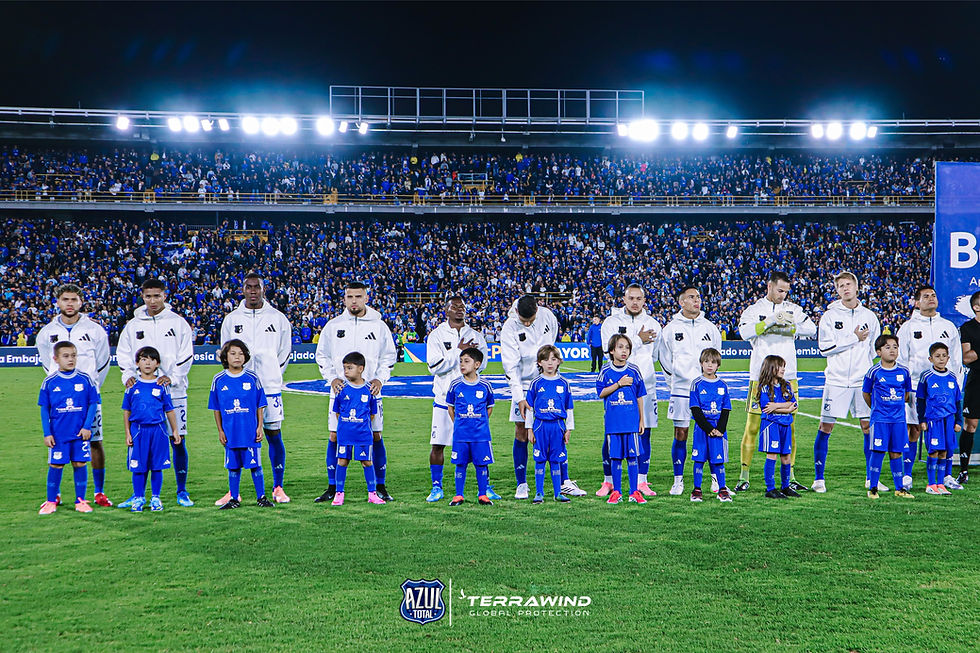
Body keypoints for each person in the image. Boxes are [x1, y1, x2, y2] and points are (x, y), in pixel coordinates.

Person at [315, 282, 397, 503]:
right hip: (341, 392)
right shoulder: (333, 326)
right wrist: (332, 378)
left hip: (369, 392)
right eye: (350, 296)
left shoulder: (379, 326)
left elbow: (389, 356)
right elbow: (321, 355)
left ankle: (380, 486)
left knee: (376, 435)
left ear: (366, 298)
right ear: (344, 299)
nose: (354, 301)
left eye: (358, 296)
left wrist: (380, 379)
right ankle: (333, 487)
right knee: (334, 435)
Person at [735, 271, 817, 493]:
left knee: (789, 426)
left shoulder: (793, 309)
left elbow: (812, 329)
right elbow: (744, 332)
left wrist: (790, 326)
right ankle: (744, 476)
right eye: (780, 290)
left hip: (788, 378)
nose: (783, 295)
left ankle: (789, 477)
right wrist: (770, 321)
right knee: (753, 426)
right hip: (760, 377)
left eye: (786, 292)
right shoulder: (754, 310)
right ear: (769, 286)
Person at [116, 279, 195, 508]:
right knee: (138, 440)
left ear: (165, 296)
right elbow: (123, 355)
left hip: (174, 393)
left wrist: (173, 378)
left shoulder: (177, 323)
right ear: (142, 297)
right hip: (142, 393)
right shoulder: (132, 326)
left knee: (177, 439)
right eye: (148, 296)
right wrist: (127, 376)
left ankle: (182, 491)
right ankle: (138, 494)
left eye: (157, 296)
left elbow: (186, 354)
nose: (152, 300)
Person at [501, 294, 585, 499]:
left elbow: (551, 349)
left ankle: (564, 482)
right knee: (521, 430)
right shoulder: (509, 327)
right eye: (523, 320)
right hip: (524, 385)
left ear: (537, 311)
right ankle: (522, 484)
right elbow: (510, 366)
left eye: (530, 320)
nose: (527, 323)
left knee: (557, 428)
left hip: (550, 381)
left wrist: (551, 373)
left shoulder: (548, 317)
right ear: (516, 312)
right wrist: (519, 397)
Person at [219, 273, 293, 504]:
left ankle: (278, 487)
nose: (253, 291)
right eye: (249, 287)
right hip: (238, 390)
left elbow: (285, 352)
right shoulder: (232, 319)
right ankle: (234, 491)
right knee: (235, 435)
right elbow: (225, 350)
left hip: (269, 387)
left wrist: (272, 374)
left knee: (273, 433)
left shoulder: (277, 318)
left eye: (257, 287)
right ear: (243, 290)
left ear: (263, 289)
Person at [36, 283, 113, 507]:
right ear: (58, 302)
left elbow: (103, 362)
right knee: (56, 441)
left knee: (95, 441)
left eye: (74, 300)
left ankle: (99, 492)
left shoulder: (95, 330)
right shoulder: (46, 333)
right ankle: (55, 494)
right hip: (59, 400)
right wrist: (61, 386)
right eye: (65, 300)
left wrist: (90, 388)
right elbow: (47, 363)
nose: (70, 304)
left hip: (87, 398)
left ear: (81, 302)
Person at [813, 272, 881, 493]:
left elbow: (874, 349)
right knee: (826, 426)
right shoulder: (829, 316)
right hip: (836, 380)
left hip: (862, 380)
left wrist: (864, 366)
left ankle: (872, 479)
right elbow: (825, 348)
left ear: (857, 287)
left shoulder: (869, 316)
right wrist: (853, 338)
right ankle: (819, 479)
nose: (845, 288)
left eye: (848, 284)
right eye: (841, 285)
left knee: (868, 427)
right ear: (837, 290)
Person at [424, 294, 493, 502]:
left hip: (471, 402)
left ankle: (486, 488)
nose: (460, 309)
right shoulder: (437, 335)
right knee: (438, 444)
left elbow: (483, 364)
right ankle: (436, 486)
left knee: (480, 445)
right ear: (446, 310)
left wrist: (468, 356)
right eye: (454, 306)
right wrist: (458, 352)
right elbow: (434, 367)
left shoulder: (476, 336)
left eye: (462, 306)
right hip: (444, 399)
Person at [897, 284, 963, 491]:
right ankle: (907, 475)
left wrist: (956, 388)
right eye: (925, 296)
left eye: (933, 295)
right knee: (914, 429)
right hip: (917, 387)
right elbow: (901, 359)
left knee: (947, 431)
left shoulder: (948, 326)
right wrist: (904, 387)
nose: (931, 298)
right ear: (917, 302)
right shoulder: (908, 327)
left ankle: (947, 476)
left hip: (945, 391)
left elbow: (957, 360)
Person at [598, 284, 662, 497]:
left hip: (645, 387)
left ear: (644, 300)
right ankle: (608, 481)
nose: (635, 302)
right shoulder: (611, 323)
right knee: (611, 433)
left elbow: (655, 355)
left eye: (639, 298)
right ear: (624, 300)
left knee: (645, 431)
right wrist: (638, 340)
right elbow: (608, 351)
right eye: (631, 298)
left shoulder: (653, 324)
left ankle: (642, 481)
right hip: (616, 388)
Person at [659, 285, 722, 496]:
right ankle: (678, 481)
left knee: (711, 432)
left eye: (698, 297)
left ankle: (715, 479)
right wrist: (674, 383)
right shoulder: (670, 329)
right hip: (681, 389)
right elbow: (664, 360)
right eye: (691, 297)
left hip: (707, 390)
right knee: (681, 433)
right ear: (681, 302)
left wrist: (710, 382)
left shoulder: (710, 328)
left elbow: (716, 356)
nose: (697, 300)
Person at [209, 339, 273, 510]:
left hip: (249, 431)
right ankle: (234, 498)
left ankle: (261, 497)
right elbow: (216, 408)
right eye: (233, 353)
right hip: (230, 432)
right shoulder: (218, 379)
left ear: (245, 357)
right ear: (225, 357)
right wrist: (220, 430)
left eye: (241, 353)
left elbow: (260, 404)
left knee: (255, 465)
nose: (237, 357)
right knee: (233, 467)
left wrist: (259, 426)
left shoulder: (252, 377)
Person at [37, 341, 100, 515]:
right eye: (66, 356)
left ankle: (80, 501)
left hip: (80, 433)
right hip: (58, 434)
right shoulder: (49, 382)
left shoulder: (85, 379)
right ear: (56, 359)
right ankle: (51, 501)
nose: (71, 359)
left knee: (80, 463)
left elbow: (93, 404)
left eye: (73, 355)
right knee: (56, 465)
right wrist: (47, 433)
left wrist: (87, 427)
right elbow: (44, 409)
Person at [122, 346, 181, 513]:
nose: (147, 363)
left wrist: (175, 430)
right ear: (137, 363)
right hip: (138, 430)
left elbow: (169, 409)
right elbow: (126, 410)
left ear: (158, 364)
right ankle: (138, 497)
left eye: (152, 359)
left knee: (157, 466)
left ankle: (156, 497)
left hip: (158, 430)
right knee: (138, 467)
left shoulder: (162, 385)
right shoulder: (132, 385)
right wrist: (128, 432)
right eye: (143, 359)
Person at [596, 334, 648, 505]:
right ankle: (616, 491)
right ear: (612, 350)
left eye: (627, 347)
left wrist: (641, 420)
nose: (624, 351)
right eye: (620, 347)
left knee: (633, 457)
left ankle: (634, 492)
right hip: (613, 423)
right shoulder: (605, 370)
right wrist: (619, 384)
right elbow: (600, 392)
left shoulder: (634, 370)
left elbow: (640, 396)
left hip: (631, 422)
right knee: (616, 457)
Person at [863, 334, 915, 499]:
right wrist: (877, 409)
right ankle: (873, 488)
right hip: (880, 420)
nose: (892, 350)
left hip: (898, 420)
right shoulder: (874, 372)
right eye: (887, 347)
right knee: (878, 452)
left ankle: (899, 488)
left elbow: (906, 394)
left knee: (896, 452)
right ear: (879, 352)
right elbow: (866, 393)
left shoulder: (904, 371)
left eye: (895, 347)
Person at [330, 352, 385, 506]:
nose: (346, 371)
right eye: (344, 368)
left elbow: (372, 414)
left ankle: (372, 494)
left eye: (349, 368)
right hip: (345, 434)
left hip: (363, 434)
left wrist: (361, 424)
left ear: (361, 369)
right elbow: (337, 412)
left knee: (367, 462)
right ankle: (339, 494)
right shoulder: (341, 389)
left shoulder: (369, 390)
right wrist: (347, 424)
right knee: (342, 461)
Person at [446, 347, 496, 506]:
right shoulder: (455, 385)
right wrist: (459, 423)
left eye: (466, 361)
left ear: (477, 365)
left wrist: (480, 422)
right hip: (461, 434)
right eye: (461, 361)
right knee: (460, 464)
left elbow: (489, 407)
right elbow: (450, 407)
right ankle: (458, 495)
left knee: (481, 464)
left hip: (480, 435)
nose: (462, 364)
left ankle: (483, 495)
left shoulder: (485, 385)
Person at [526, 345, 574, 503]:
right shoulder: (536, 383)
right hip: (540, 425)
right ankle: (539, 493)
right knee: (539, 459)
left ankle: (558, 493)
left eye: (553, 359)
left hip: (558, 425)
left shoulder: (564, 383)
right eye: (546, 359)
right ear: (540, 363)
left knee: (556, 459)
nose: (550, 363)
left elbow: (569, 408)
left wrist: (569, 429)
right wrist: (529, 429)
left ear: (559, 361)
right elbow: (529, 408)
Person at [916, 343, 963, 495]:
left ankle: (941, 484)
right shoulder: (926, 376)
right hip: (933, 419)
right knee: (934, 451)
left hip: (948, 420)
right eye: (937, 356)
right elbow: (920, 400)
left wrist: (958, 421)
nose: (941, 359)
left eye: (944, 356)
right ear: (931, 359)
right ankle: (931, 484)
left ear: (948, 358)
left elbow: (957, 401)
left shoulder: (952, 377)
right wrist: (922, 420)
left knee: (945, 451)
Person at [688, 348, 733, 502]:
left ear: (718, 365)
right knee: (699, 459)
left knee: (718, 460)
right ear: (701, 363)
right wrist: (708, 429)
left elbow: (726, 409)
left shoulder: (723, 385)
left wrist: (720, 429)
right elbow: (695, 410)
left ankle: (722, 489)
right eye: (706, 361)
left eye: (713, 362)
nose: (709, 365)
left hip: (718, 429)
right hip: (702, 428)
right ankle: (697, 490)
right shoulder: (696, 384)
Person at [756, 355, 800, 500]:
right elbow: (767, 408)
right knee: (772, 454)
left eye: (783, 367)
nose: (783, 369)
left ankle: (785, 487)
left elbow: (793, 404)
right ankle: (770, 488)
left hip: (785, 424)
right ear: (770, 368)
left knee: (786, 456)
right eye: (780, 366)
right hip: (771, 424)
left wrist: (777, 406)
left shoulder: (786, 385)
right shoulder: (764, 387)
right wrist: (786, 408)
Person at [956, 290, 980, 484]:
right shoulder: (967, 328)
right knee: (970, 424)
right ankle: (963, 470)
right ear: (976, 307)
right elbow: (966, 357)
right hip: (977, 379)